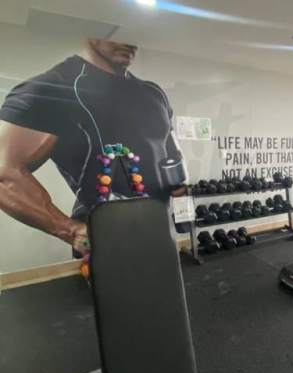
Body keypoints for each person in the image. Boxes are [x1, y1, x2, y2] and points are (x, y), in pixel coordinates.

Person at [0, 39, 185, 256]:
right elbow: (5, 174)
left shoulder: (153, 93)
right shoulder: (53, 88)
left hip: (159, 232)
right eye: (118, 30)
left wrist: (180, 189)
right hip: (105, 240)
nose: (128, 39)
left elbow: (170, 156)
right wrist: (71, 231)